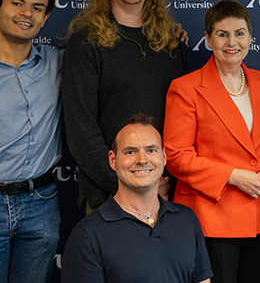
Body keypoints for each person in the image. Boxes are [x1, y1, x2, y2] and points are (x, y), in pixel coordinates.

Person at [164, 0, 260, 283]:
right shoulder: (185, 88)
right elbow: (176, 155)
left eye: (240, 33)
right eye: (222, 34)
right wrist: (233, 176)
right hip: (213, 215)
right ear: (208, 39)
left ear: (250, 37)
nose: (232, 42)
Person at [62, 0, 190, 213]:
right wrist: (131, 184)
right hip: (109, 198)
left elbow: (188, 123)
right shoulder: (85, 42)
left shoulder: (172, 44)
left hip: (167, 196)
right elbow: (81, 130)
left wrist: (163, 183)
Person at [61, 113, 213, 283]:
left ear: (164, 157)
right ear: (113, 160)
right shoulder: (88, 235)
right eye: (130, 152)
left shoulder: (187, 220)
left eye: (151, 150)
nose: (142, 159)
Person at [0, 0, 61, 283]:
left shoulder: (59, 63)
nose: (26, 14)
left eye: (37, 8)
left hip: (41, 203)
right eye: (16, 3)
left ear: (45, 18)